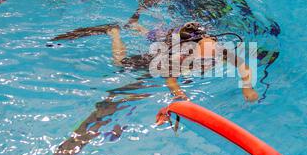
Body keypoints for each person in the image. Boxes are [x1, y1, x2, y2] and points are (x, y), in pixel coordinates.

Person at [106, 20, 259, 102]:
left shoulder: (219, 49)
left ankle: (140, 28)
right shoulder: (177, 58)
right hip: (167, 48)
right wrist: (178, 93)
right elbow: (170, 79)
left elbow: (243, 66)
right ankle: (115, 33)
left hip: (179, 41)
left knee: (156, 36)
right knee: (119, 63)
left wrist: (247, 88)